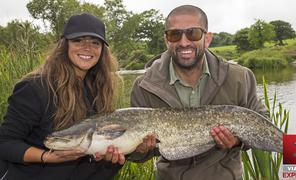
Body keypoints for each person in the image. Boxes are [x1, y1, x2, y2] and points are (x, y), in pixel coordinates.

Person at [0, 13, 152, 180]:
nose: (87, 48)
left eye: (95, 43)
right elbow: (5, 143)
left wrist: (130, 149)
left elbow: (100, 147)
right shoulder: (35, 87)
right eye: (78, 40)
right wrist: (47, 157)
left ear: (102, 50)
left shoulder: (101, 87)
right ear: (64, 45)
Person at [130, 5, 268, 180]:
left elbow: (264, 124)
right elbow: (137, 156)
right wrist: (140, 150)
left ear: (207, 38)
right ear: (166, 40)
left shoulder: (240, 77)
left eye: (193, 33)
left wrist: (238, 140)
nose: (184, 42)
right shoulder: (143, 86)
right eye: (175, 34)